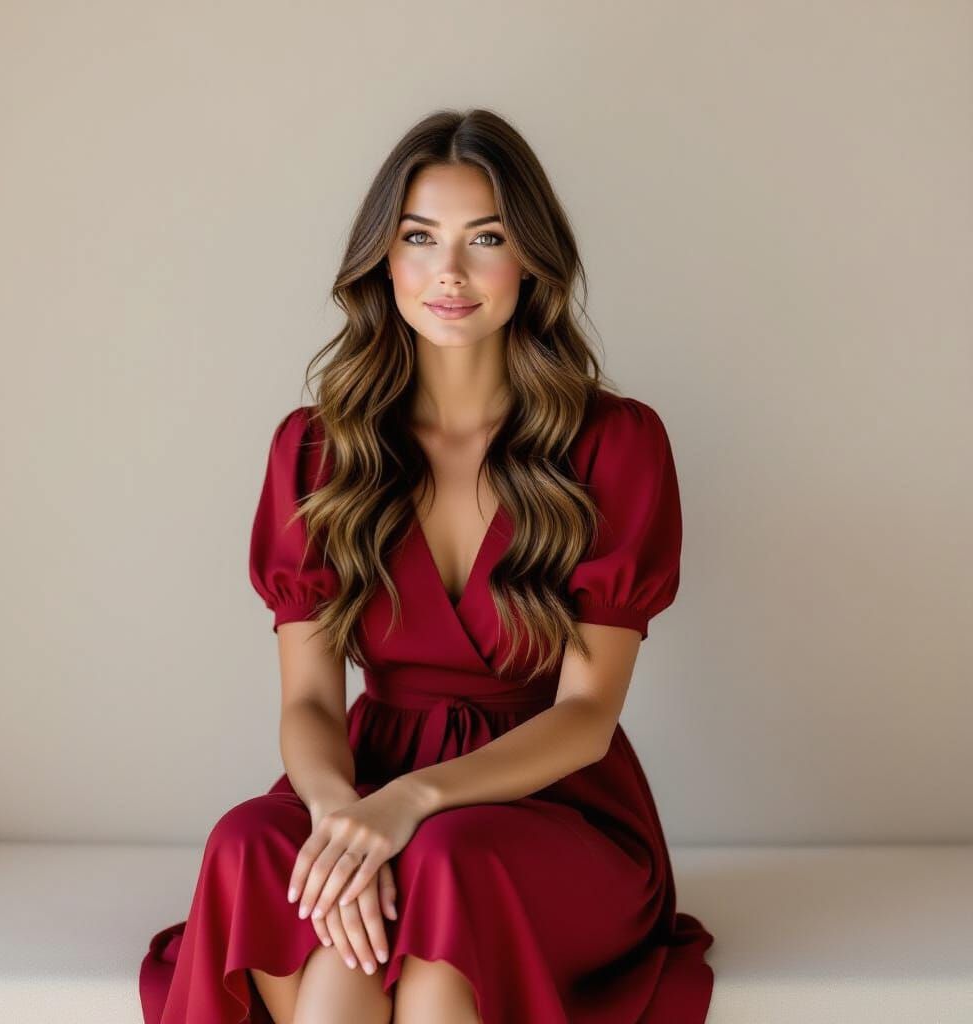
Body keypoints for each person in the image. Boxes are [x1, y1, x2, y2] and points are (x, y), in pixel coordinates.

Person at [139, 107, 715, 1024]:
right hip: (364, 774)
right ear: (386, 260)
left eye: (484, 237)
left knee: (446, 864)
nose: (449, 270)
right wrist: (342, 816)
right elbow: (310, 704)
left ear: (530, 259)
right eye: (420, 237)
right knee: (250, 841)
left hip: (552, 804)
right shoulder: (316, 452)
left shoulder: (617, 444)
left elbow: (586, 716)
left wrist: (410, 805)